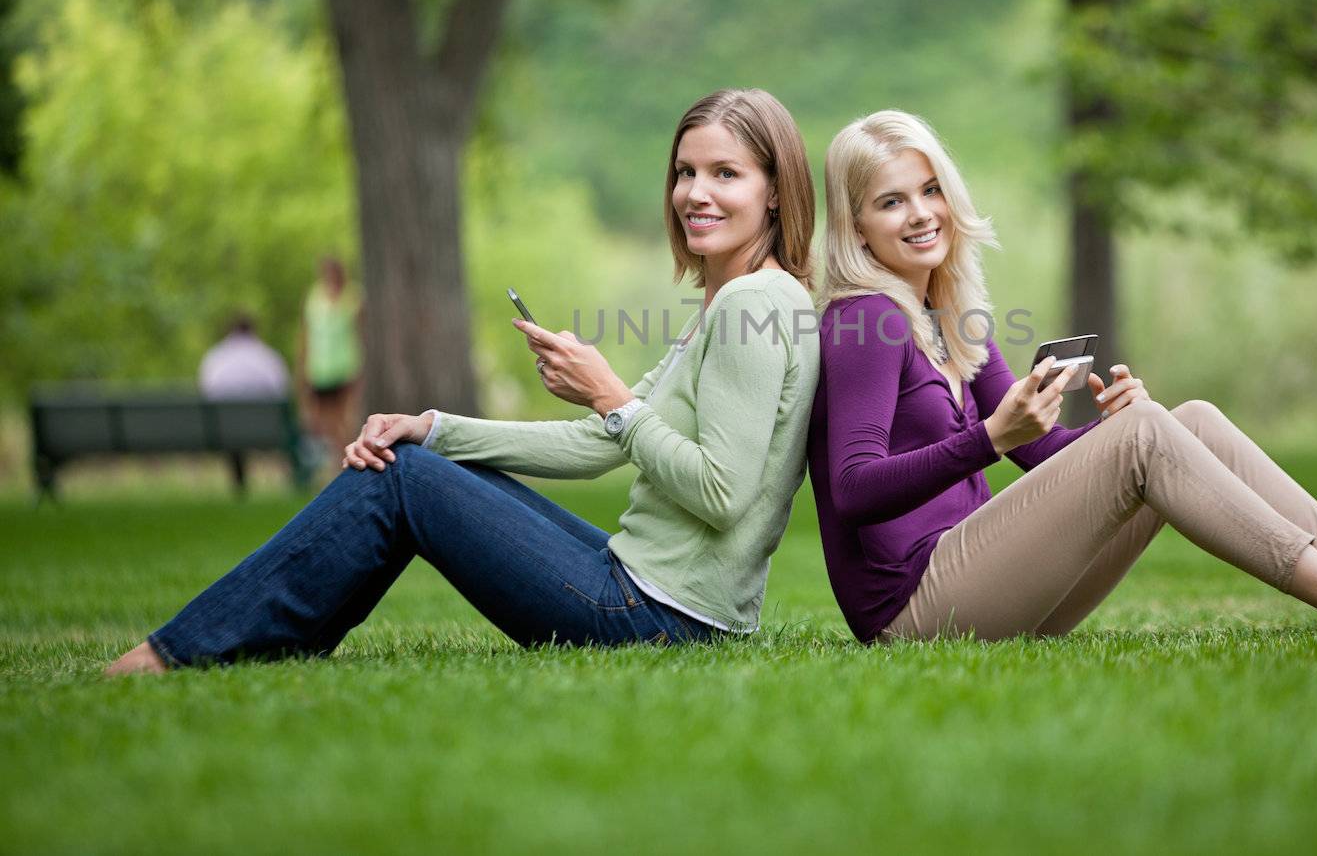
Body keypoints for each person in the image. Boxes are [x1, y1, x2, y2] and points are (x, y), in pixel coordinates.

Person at [106, 89, 819, 673]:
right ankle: (261, 643)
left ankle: (182, 653)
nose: (695, 192)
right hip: (655, 593)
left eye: (726, 173)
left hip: (659, 615)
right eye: (684, 172)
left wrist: (614, 397)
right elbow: (597, 445)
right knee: (414, 462)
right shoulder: (734, 301)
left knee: (401, 481)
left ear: (777, 192)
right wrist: (435, 427)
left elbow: (723, 493)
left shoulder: (754, 303)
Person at [807, 110, 1317, 644]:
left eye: (930, 190)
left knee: (1187, 420)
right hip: (916, 611)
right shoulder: (864, 321)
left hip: (984, 586)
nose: (923, 212)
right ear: (857, 227)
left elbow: (1038, 452)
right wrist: (989, 437)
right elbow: (852, 488)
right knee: (1149, 437)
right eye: (892, 202)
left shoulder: (944, 313)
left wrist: (1111, 430)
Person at [297, 256, 363, 466]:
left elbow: (360, 334)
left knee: (344, 418)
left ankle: (347, 458)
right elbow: (306, 334)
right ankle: (339, 459)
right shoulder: (315, 298)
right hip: (320, 368)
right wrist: (302, 366)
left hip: (344, 367)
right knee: (324, 421)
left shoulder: (353, 297)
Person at [198, 314, 290, 400]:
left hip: (222, 417)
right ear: (254, 331)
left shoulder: (214, 358)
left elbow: (205, 390)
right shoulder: (270, 358)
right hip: (262, 416)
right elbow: (281, 391)